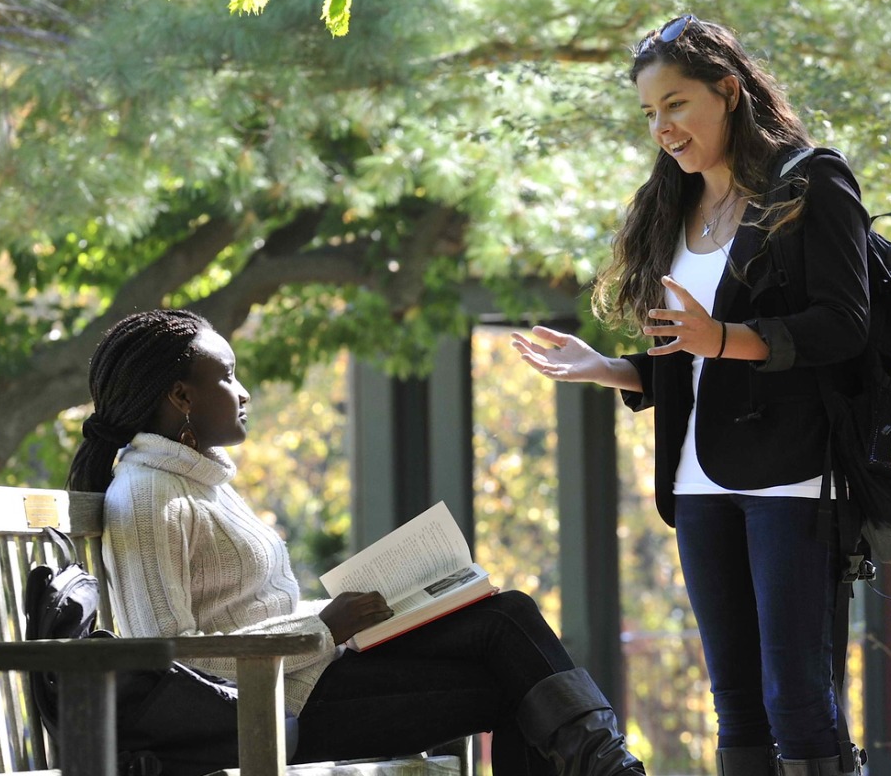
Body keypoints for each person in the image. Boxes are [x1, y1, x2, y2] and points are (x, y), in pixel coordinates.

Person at [510, 15, 869, 776]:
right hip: (698, 481)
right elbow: (689, 360)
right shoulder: (674, 206)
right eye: (649, 113)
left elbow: (844, 325)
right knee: (733, 700)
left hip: (794, 475)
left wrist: (722, 339)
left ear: (729, 91)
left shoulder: (811, 182)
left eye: (675, 105)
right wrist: (608, 367)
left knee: (797, 698)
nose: (662, 128)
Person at [67, 308, 646, 776]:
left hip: (305, 675)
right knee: (511, 685)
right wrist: (325, 628)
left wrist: (351, 614)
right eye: (227, 375)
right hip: (267, 710)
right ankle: (612, 769)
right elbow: (166, 658)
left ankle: (611, 767)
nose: (243, 393)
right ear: (182, 397)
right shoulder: (147, 497)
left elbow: (246, 615)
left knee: (505, 615)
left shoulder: (196, 482)